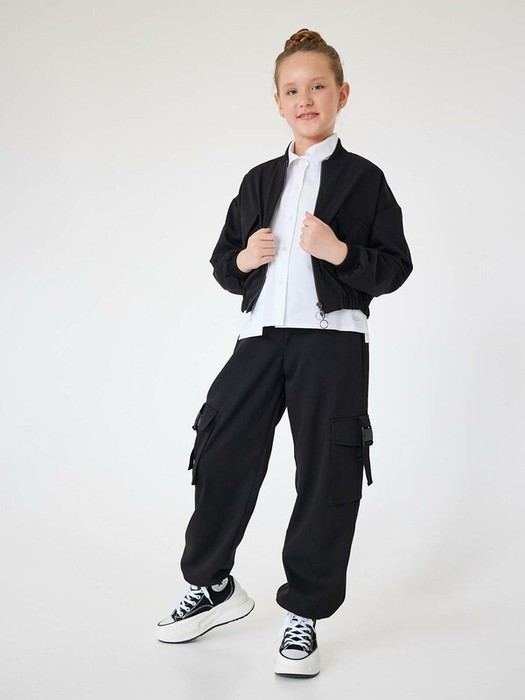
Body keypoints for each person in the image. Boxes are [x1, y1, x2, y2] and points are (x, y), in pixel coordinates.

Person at [157, 28, 413, 678]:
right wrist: (245, 259)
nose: (306, 99)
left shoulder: (365, 180)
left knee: (326, 472)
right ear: (277, 102)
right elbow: (224, 264)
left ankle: (305, 614)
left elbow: (394, 267)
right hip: (259, 339)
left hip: (332, 344)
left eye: (318, 86)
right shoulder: (259, 180)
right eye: (292, 90)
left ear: (341, 95)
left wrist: (339, 252)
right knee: (220, 447)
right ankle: (213, 585)